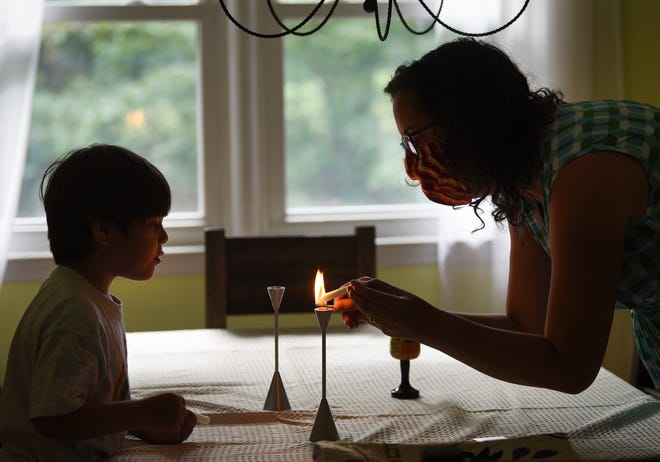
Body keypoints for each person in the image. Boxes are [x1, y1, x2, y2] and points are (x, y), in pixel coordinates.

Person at [335, 38, 660, 394]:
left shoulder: (583, 172)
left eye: (414, 139)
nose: (414, 163)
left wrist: (425, 323)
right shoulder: (527, 178)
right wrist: (405, 316)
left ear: (465, 118)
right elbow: (526, 324)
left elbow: (570, 367)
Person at [0, 144, 197, 460]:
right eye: (153, 224)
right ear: (103, 229)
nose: (165, 237)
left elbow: (87, 405)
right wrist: (139, 413)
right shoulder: (73, 313)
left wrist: (142, 426)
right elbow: (53, 418)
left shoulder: (86, 297)